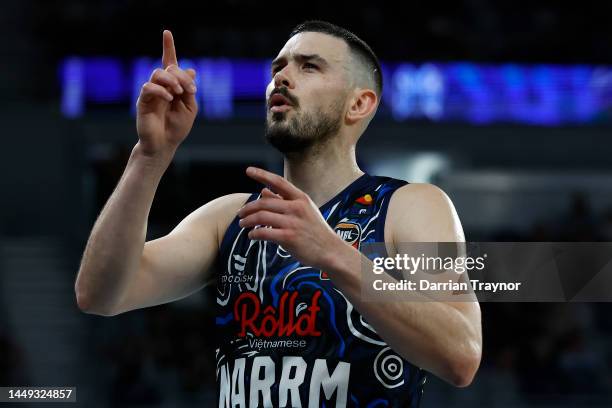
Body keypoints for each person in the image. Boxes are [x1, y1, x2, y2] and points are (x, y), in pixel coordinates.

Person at [75, 21, 482, 407]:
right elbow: (100, 294)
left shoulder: (408, 205)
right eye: (278, 67)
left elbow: (461, 355)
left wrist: (334, 254)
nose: (282, 78)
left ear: (358, 103)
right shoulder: (232, 217)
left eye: (309, 66)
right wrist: (149, 156)